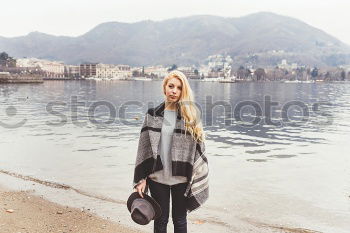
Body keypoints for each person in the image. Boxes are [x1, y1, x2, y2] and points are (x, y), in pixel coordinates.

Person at [132, 70, 209, 233]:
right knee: (160, 220)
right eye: (171, 86)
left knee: (180, 220)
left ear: (183, 91)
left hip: (181, 177)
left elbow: (198, 150)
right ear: (164, 88)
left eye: (179, 88)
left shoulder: (190, 117)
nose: (174, 90)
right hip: (157, 177)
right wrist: (141, 178)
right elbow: (144, 149)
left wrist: (196, 175)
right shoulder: (152, 115)